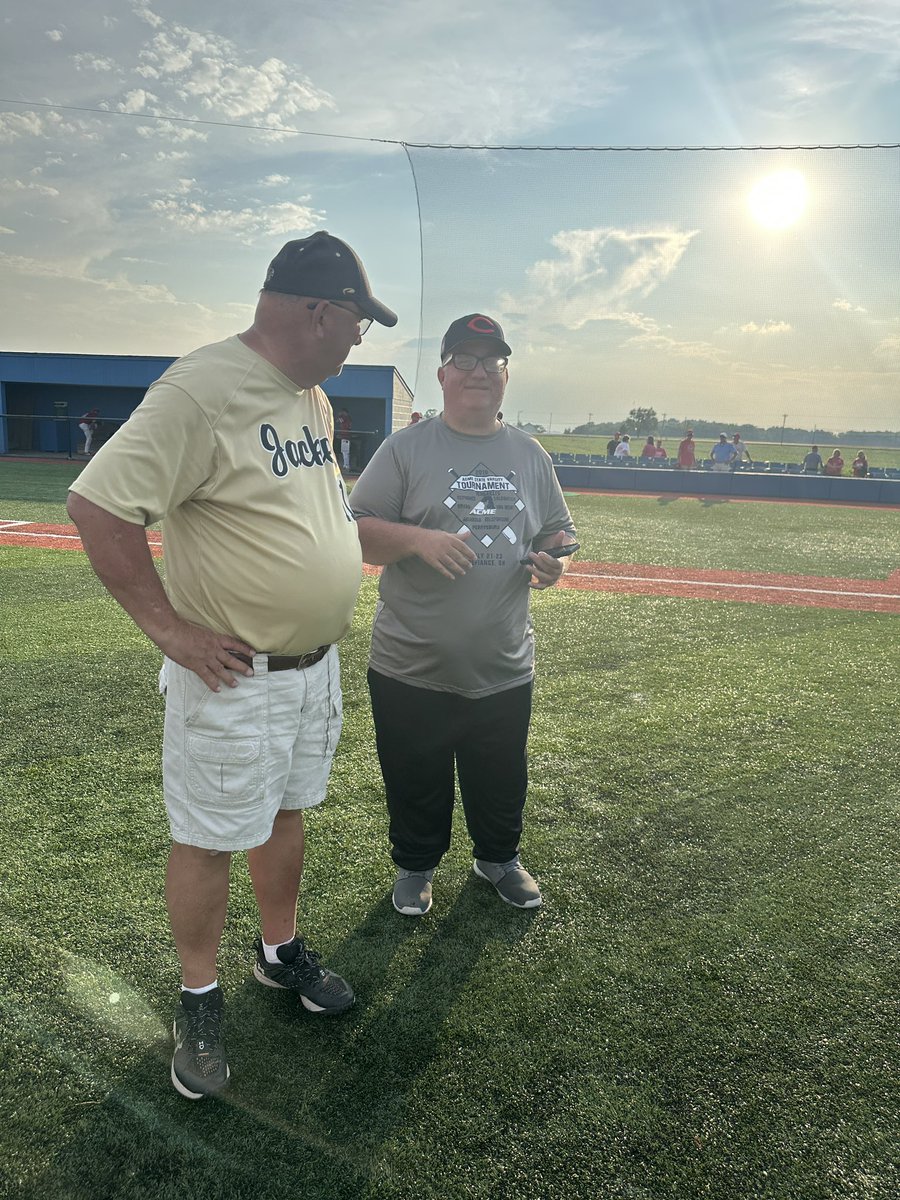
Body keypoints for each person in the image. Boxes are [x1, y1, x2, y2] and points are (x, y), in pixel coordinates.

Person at [66, 231, 397, 1101]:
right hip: (232, 674)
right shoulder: (200, 388)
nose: (360, 338)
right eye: (357, 321)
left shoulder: (312, 400)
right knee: (210, 834)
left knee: (285, 813)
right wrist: (169, 631)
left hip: (311, 669)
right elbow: (98, 506)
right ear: (318, 310)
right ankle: (199, 999)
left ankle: (278, 952)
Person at [350, 313, 576, 917]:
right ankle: (416, 867)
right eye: (466, 361)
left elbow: (556, 531)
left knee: (500, 774)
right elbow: (355, 533)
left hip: (502, 661)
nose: (480, 372)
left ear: (505, 376)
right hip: (409, 661)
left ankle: (498, 859)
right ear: (444, 372)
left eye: (492, 362)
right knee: (413, 774)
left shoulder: (529, 454)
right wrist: (418, 541)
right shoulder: (404, 449)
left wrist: (551, 561)